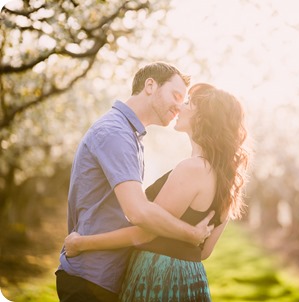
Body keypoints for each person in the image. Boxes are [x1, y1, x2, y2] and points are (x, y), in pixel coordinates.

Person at [64, 83, 249, 301]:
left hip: (160, 276)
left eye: (189, 103)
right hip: (191, 278)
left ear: (204, 118)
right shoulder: (229, 180)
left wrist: (81, 243)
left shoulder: (192, 168)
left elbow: (145, 232)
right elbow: (205, 251)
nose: (180, 106)